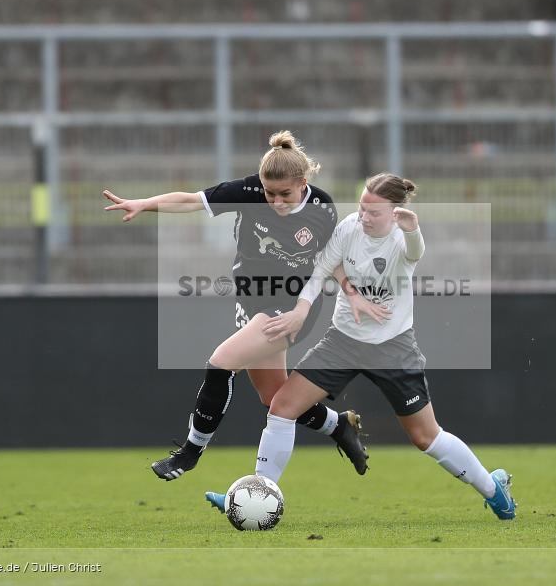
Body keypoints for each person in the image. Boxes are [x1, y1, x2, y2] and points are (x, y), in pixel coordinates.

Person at [205, 173, 516, 521]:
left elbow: (416, 251)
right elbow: (321, 269)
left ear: (395, 213)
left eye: (374, 212)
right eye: (362, 207)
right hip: (341, 343)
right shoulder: (350, 228)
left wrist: (412, 229)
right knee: (281, 407)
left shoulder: (403, 238)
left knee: (426, 437)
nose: (364, 216)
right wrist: (302, 310)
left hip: (393, 348)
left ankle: (493, 490)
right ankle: (256, 496)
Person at [102, 130, 369, 481]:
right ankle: (338, 426)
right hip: (251, 301)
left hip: (292, 307)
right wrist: (143, 204)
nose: (276, 201)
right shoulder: (248, 192)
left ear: (303, 183)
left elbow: (329, 259)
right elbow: (191, 200)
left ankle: (190, 452)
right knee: (275, 399)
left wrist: (350, 291)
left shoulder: (322, 209)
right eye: (269, 193)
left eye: (285, 194)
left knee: (220, 364)